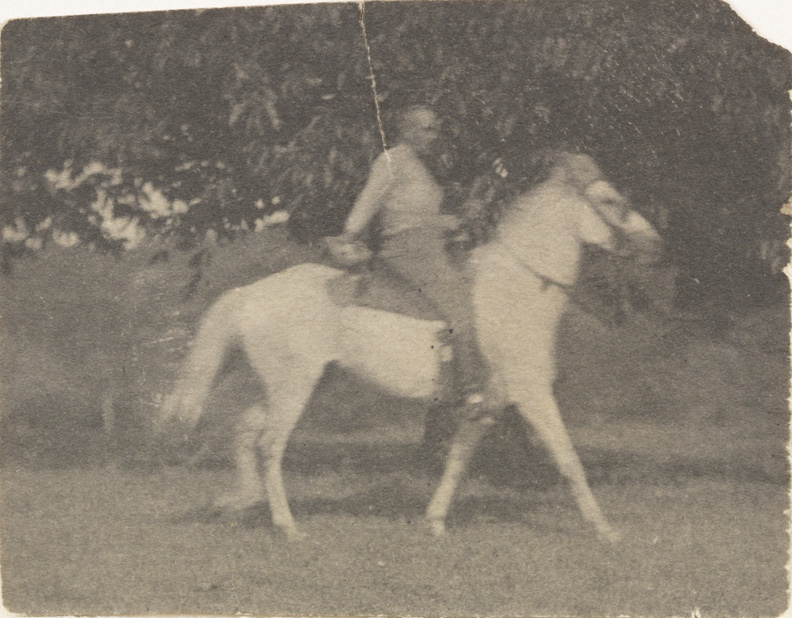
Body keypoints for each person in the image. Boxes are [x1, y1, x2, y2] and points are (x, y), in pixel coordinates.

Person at [333, 105, 488, 408]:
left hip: (431, 247)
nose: (434, 135)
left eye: (435, 128)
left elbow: (421, 216)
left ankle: (449, 382)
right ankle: (472, 391)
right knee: (462, 307)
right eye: (427, 128)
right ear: (407, 130)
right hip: (408, 251)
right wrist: (349, 234)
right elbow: (369, 200)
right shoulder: (392, 161)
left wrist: (458, 220)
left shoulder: (419, 165)